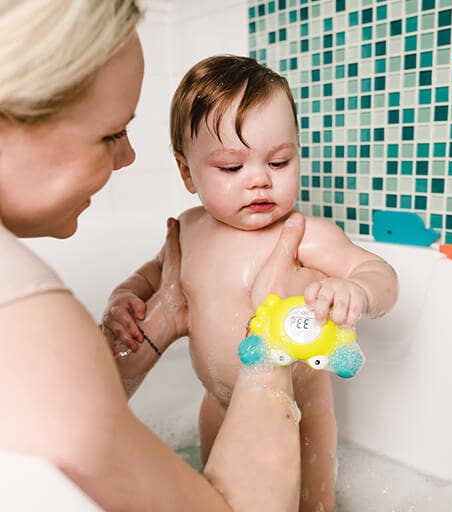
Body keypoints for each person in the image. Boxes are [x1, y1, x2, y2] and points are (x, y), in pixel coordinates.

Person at [0, 3, 320, 511]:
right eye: (110, 133)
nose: (127, 157)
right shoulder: (22, 311)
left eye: (278, 160)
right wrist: (275, 337)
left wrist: (162, 320)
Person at [102, 55, 399, 512]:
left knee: (310, 506)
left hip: (298, 415)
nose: (259, 179)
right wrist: (125, 297)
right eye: (231, 168)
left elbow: (380, 274)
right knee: (220, 495)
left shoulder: (304, 234)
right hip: (217, 406)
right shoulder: (190, 230)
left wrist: (356, 290)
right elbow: (151, 278)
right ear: (187, 172)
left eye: (279, 161)